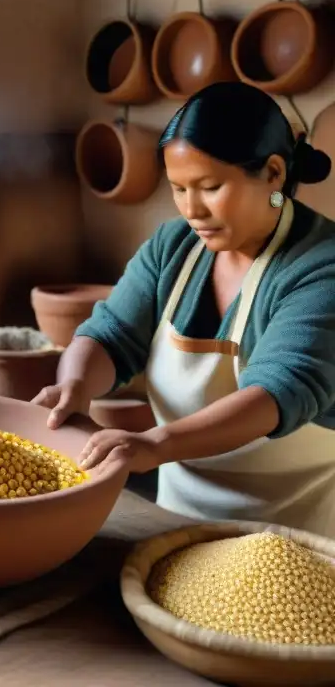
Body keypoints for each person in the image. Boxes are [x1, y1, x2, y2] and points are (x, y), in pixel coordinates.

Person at [33, 81, 335, 537]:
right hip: (174, 523)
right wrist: (73, 387)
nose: (192, 208)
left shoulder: (322, 266)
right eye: (178, 188)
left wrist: (154, 445)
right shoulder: (173, 247)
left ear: (274, 173)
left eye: (210, 187)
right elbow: (110, 336)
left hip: (294, 535)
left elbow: (278, 391)